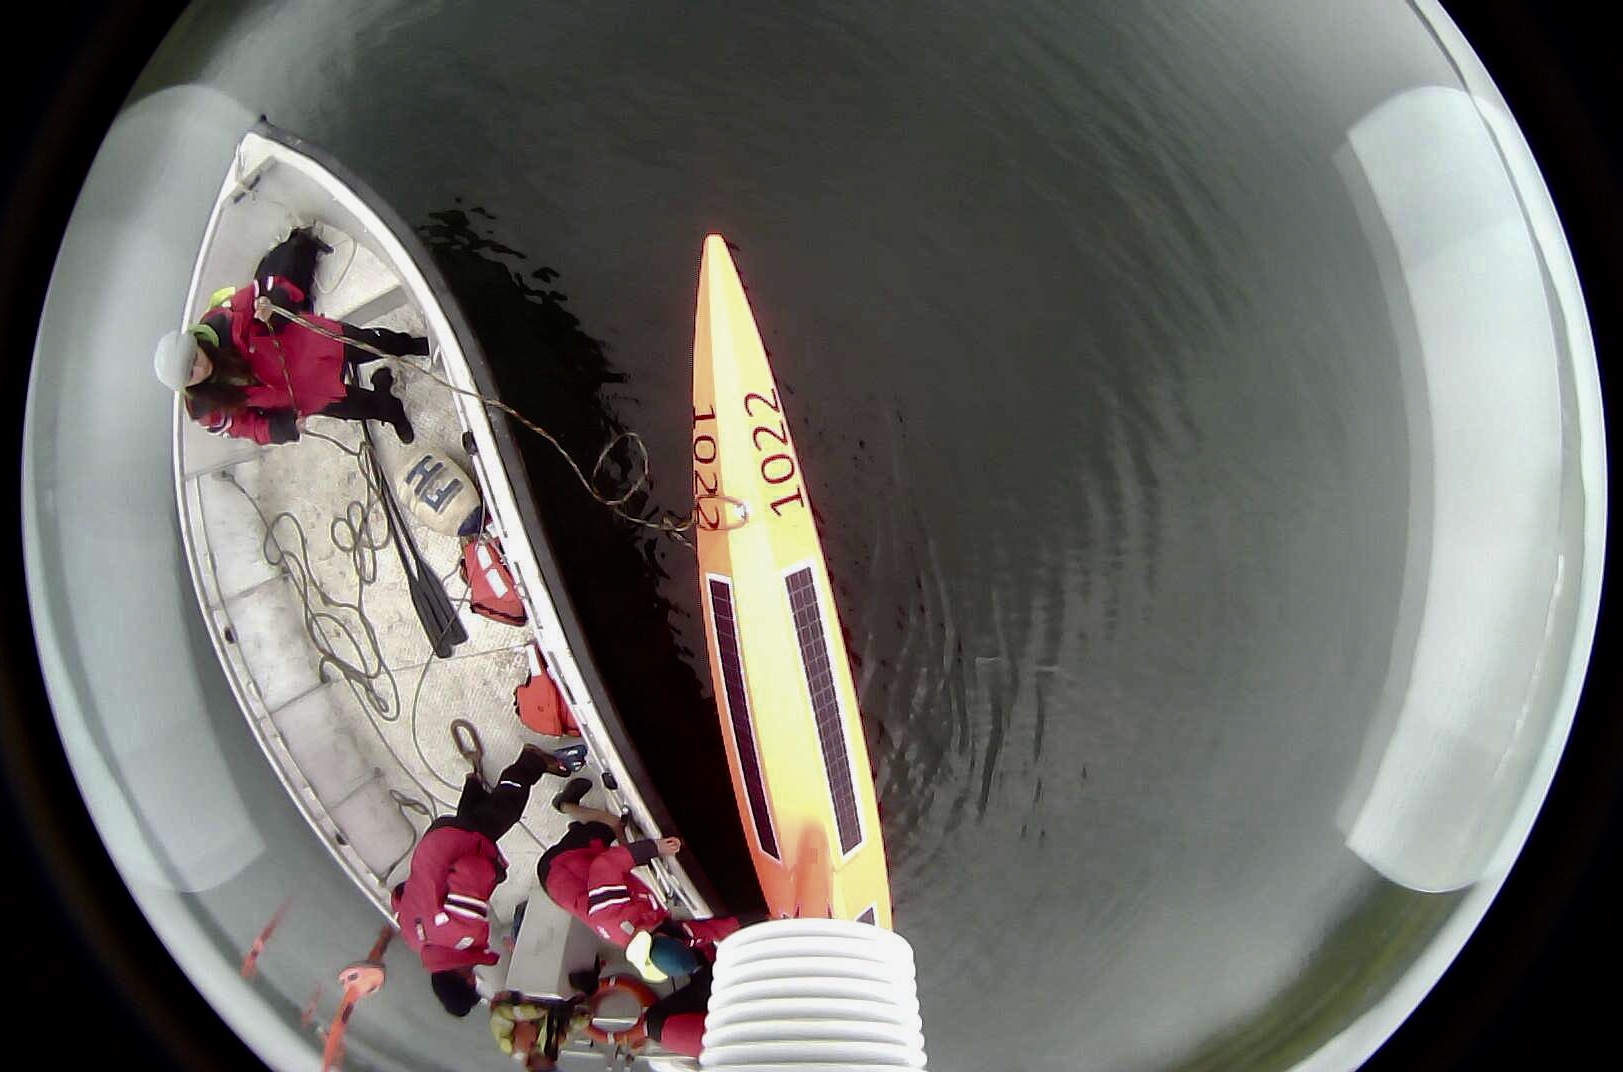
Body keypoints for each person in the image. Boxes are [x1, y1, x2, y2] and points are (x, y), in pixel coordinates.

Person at [152, 226, 425, 445]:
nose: (199, 368)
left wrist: (273, 303)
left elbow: (267, 286)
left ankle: (414, 345)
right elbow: (246, 427)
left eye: (195, 357)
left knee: (375, 343)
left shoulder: (224, 318)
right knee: (358, 408)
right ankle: (390, 409)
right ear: (187, 386)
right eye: (191, 374)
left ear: (197, 343)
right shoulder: (204, 410)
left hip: (312, 343)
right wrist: (280, 428)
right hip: (305, 394)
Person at [392, 731, 579, 1018]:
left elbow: (473, 870)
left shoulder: (463, 932)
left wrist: (495, 871)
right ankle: (474, 783)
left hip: (459, 843)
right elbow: (399, 896)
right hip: (435, 843)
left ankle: (531, 761)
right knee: (472, 821)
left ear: (466, 981)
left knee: (506, 808)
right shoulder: (415, 939)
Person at [536, 777, 742, 970]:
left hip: (560, 868)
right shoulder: (669, 935)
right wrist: (752, 919)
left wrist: (655, 847)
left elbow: (606, 865)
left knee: (612, 824)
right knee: (617, 837)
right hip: (588, 875)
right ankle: (580, 821)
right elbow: (707, 931)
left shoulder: (613, 914)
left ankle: (565, 805)